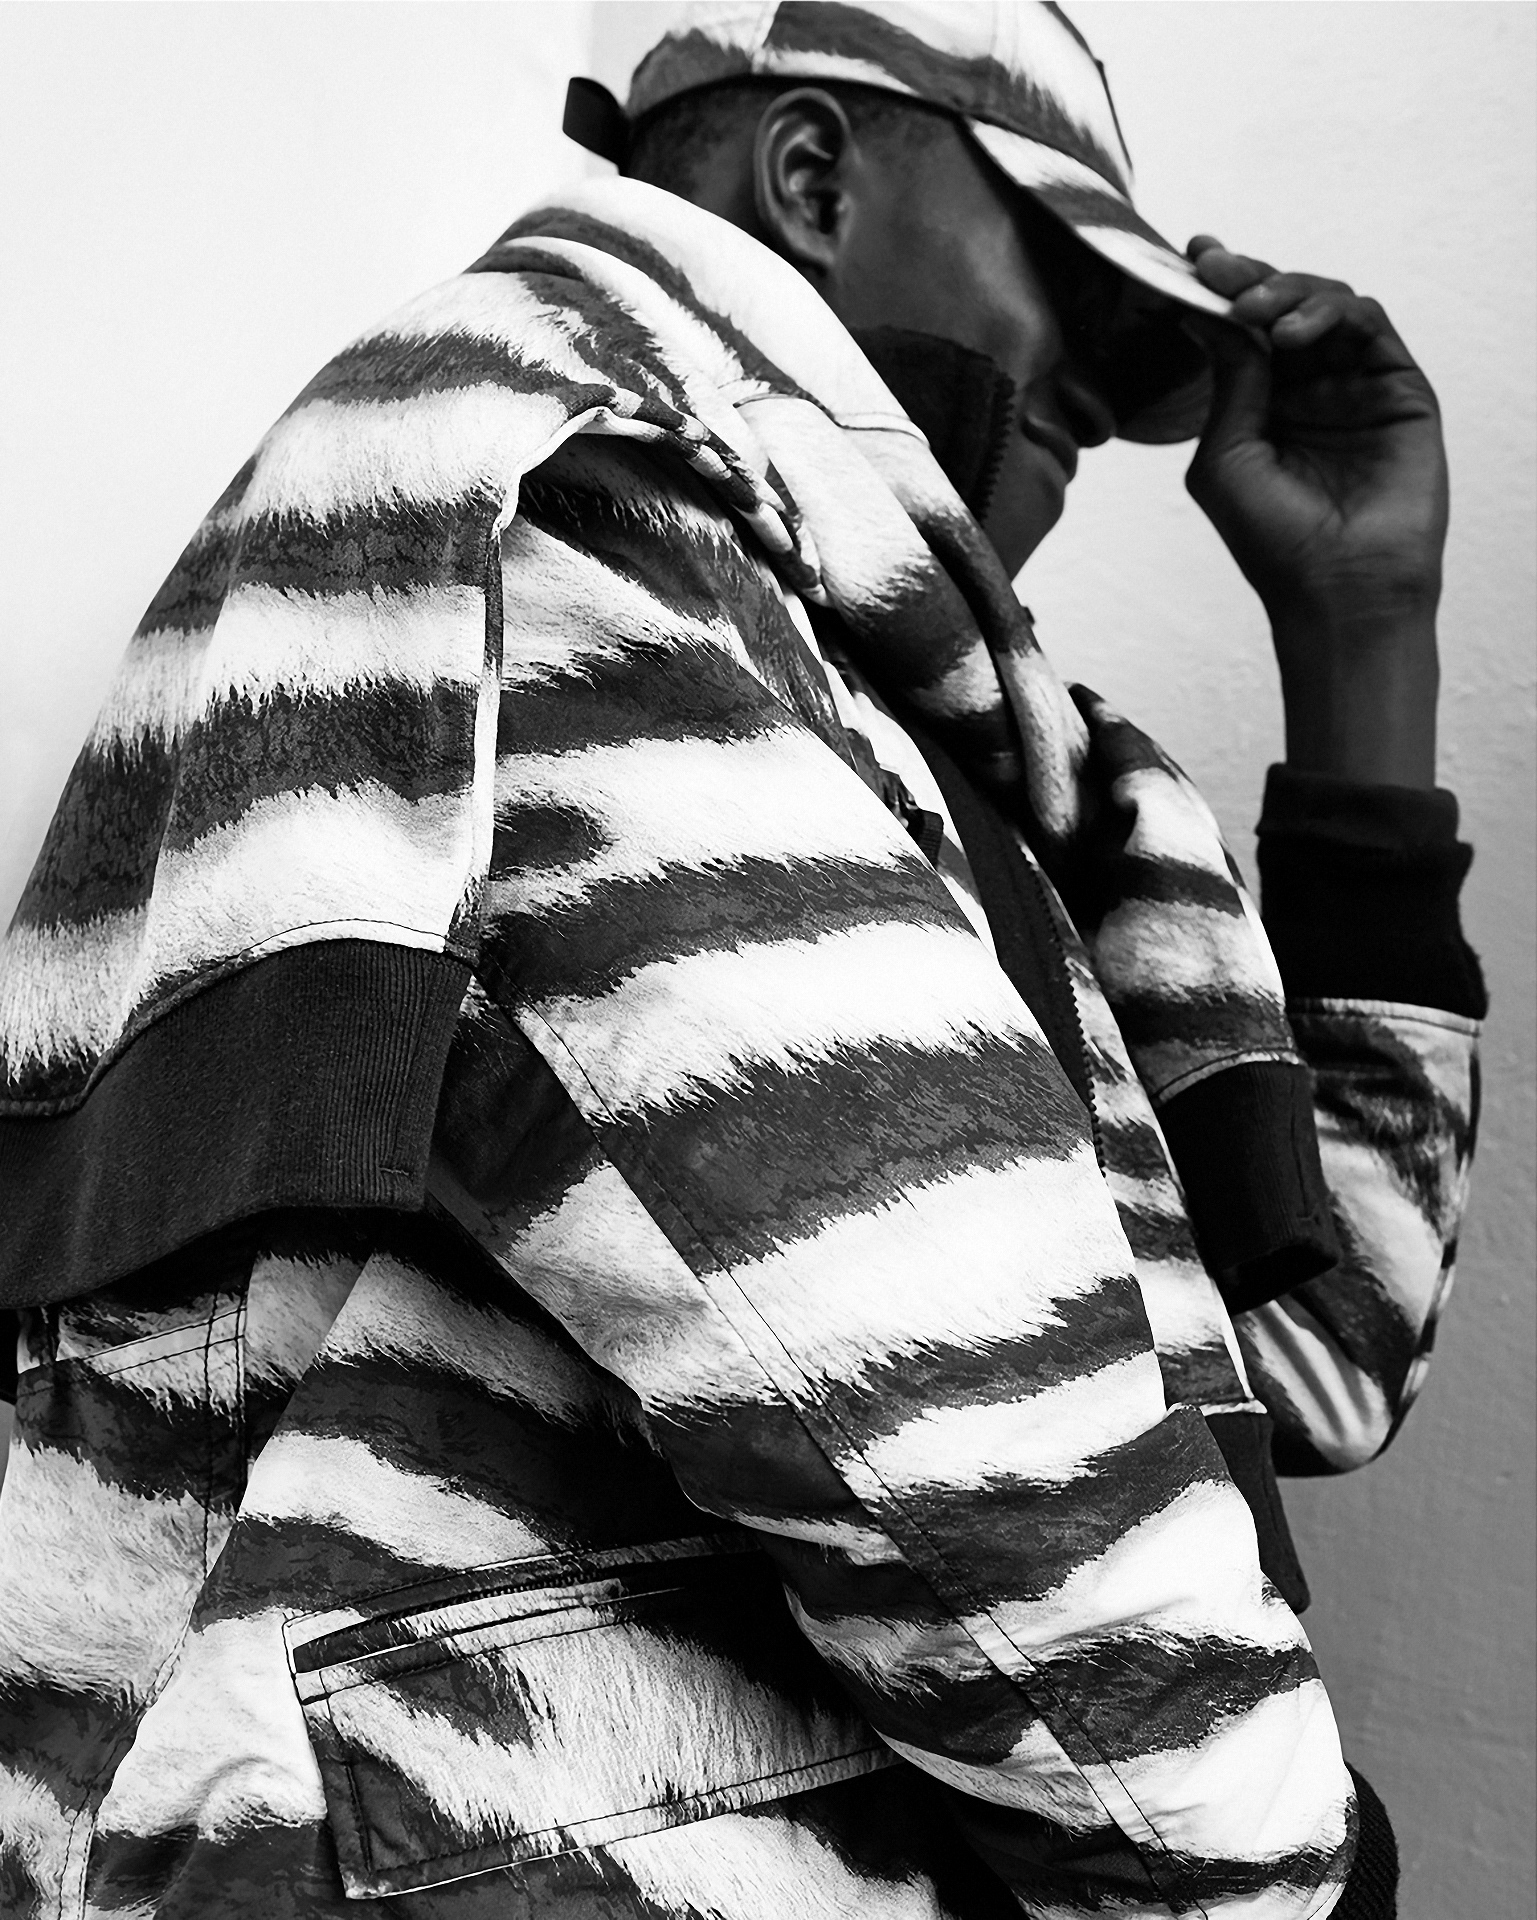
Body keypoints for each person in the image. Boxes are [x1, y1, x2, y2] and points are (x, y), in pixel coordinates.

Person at [0, 4, 1485, 1916]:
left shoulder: (930, 751)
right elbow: (965, 1419)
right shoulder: (537, 498)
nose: (1100, 405)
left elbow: (1310, 1356)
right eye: (1078, 298)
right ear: (811, 174)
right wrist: (1288, 1876)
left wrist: (1365, 633)